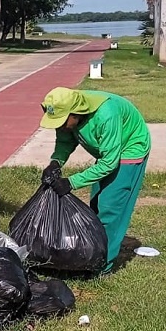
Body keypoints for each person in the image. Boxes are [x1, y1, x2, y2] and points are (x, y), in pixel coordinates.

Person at [39, 87, 151, 272]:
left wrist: (71, 183)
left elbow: (108, 164)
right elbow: (65, 142)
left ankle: (101, 265)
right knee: (96, 204)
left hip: (129, 149)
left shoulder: (106, 114)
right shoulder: (68, 114)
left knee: (110, 207)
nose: (59, 127)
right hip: (108, 151)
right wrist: (55, 163)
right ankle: (93, 250)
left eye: (62, 122)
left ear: (77, 113)